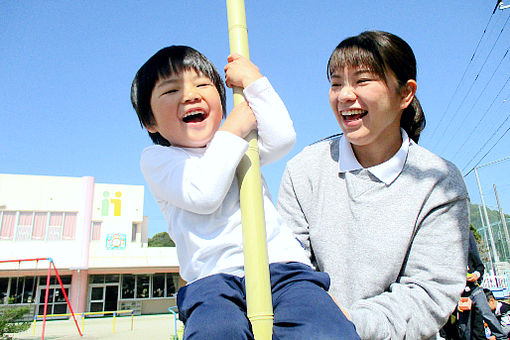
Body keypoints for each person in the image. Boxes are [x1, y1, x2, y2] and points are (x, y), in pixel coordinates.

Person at [131, 45, 359, 339]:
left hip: (283, 268)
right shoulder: (160, 160)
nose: (190, 95)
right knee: (217, 333)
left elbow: (281, 139)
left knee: (326, 330)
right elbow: (203, 193)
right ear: (150, 121)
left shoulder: (239, 145)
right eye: (171, 90)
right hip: (213, 281)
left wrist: (255, 82)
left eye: (202, 85)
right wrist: (233, 130)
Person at [276, 30, 470, 339]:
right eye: (336, 83)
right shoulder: (305, 169)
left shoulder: (439, 181)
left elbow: (429, 291)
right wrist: (315, 317)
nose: (344, 95)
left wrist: (348, 323)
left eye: (362, 80)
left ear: (405, 94)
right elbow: (289, 265)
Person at [458, 232, 507, 340]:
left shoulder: (470, 252)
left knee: (486, 313)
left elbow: (480, 267)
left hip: (474, 289)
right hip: (461, 294)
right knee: (464, 326)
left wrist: (476, 274)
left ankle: (502, 337)